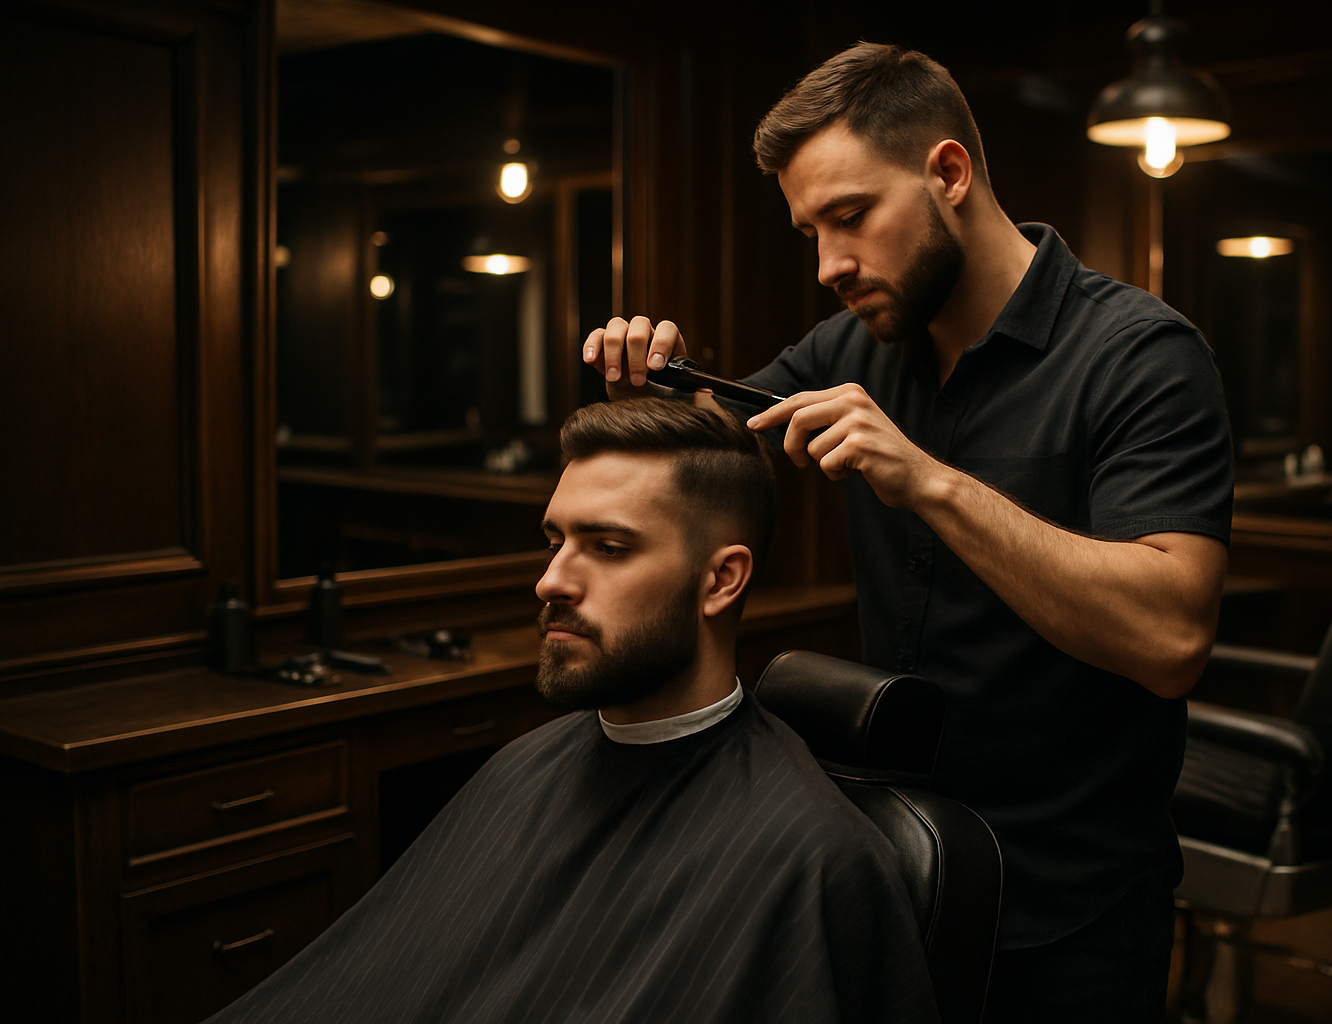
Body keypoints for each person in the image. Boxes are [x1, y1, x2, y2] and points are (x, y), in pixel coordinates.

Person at [585, 42, 1234, 1023]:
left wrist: (931, 482)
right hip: (891, 862)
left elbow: (1171, 638)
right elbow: (721, 434)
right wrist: (655, 387)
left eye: (850, 217)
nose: (829, 265)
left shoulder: (1141, 357)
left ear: (948, 173)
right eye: (810, 231)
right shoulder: (856, 345)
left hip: (1073, 903)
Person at [203, 397, 940, 1024]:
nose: (551, 581)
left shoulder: (811, 857)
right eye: (555, 542)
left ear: (721, 581)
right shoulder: (526, 766)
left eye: (609, 547)